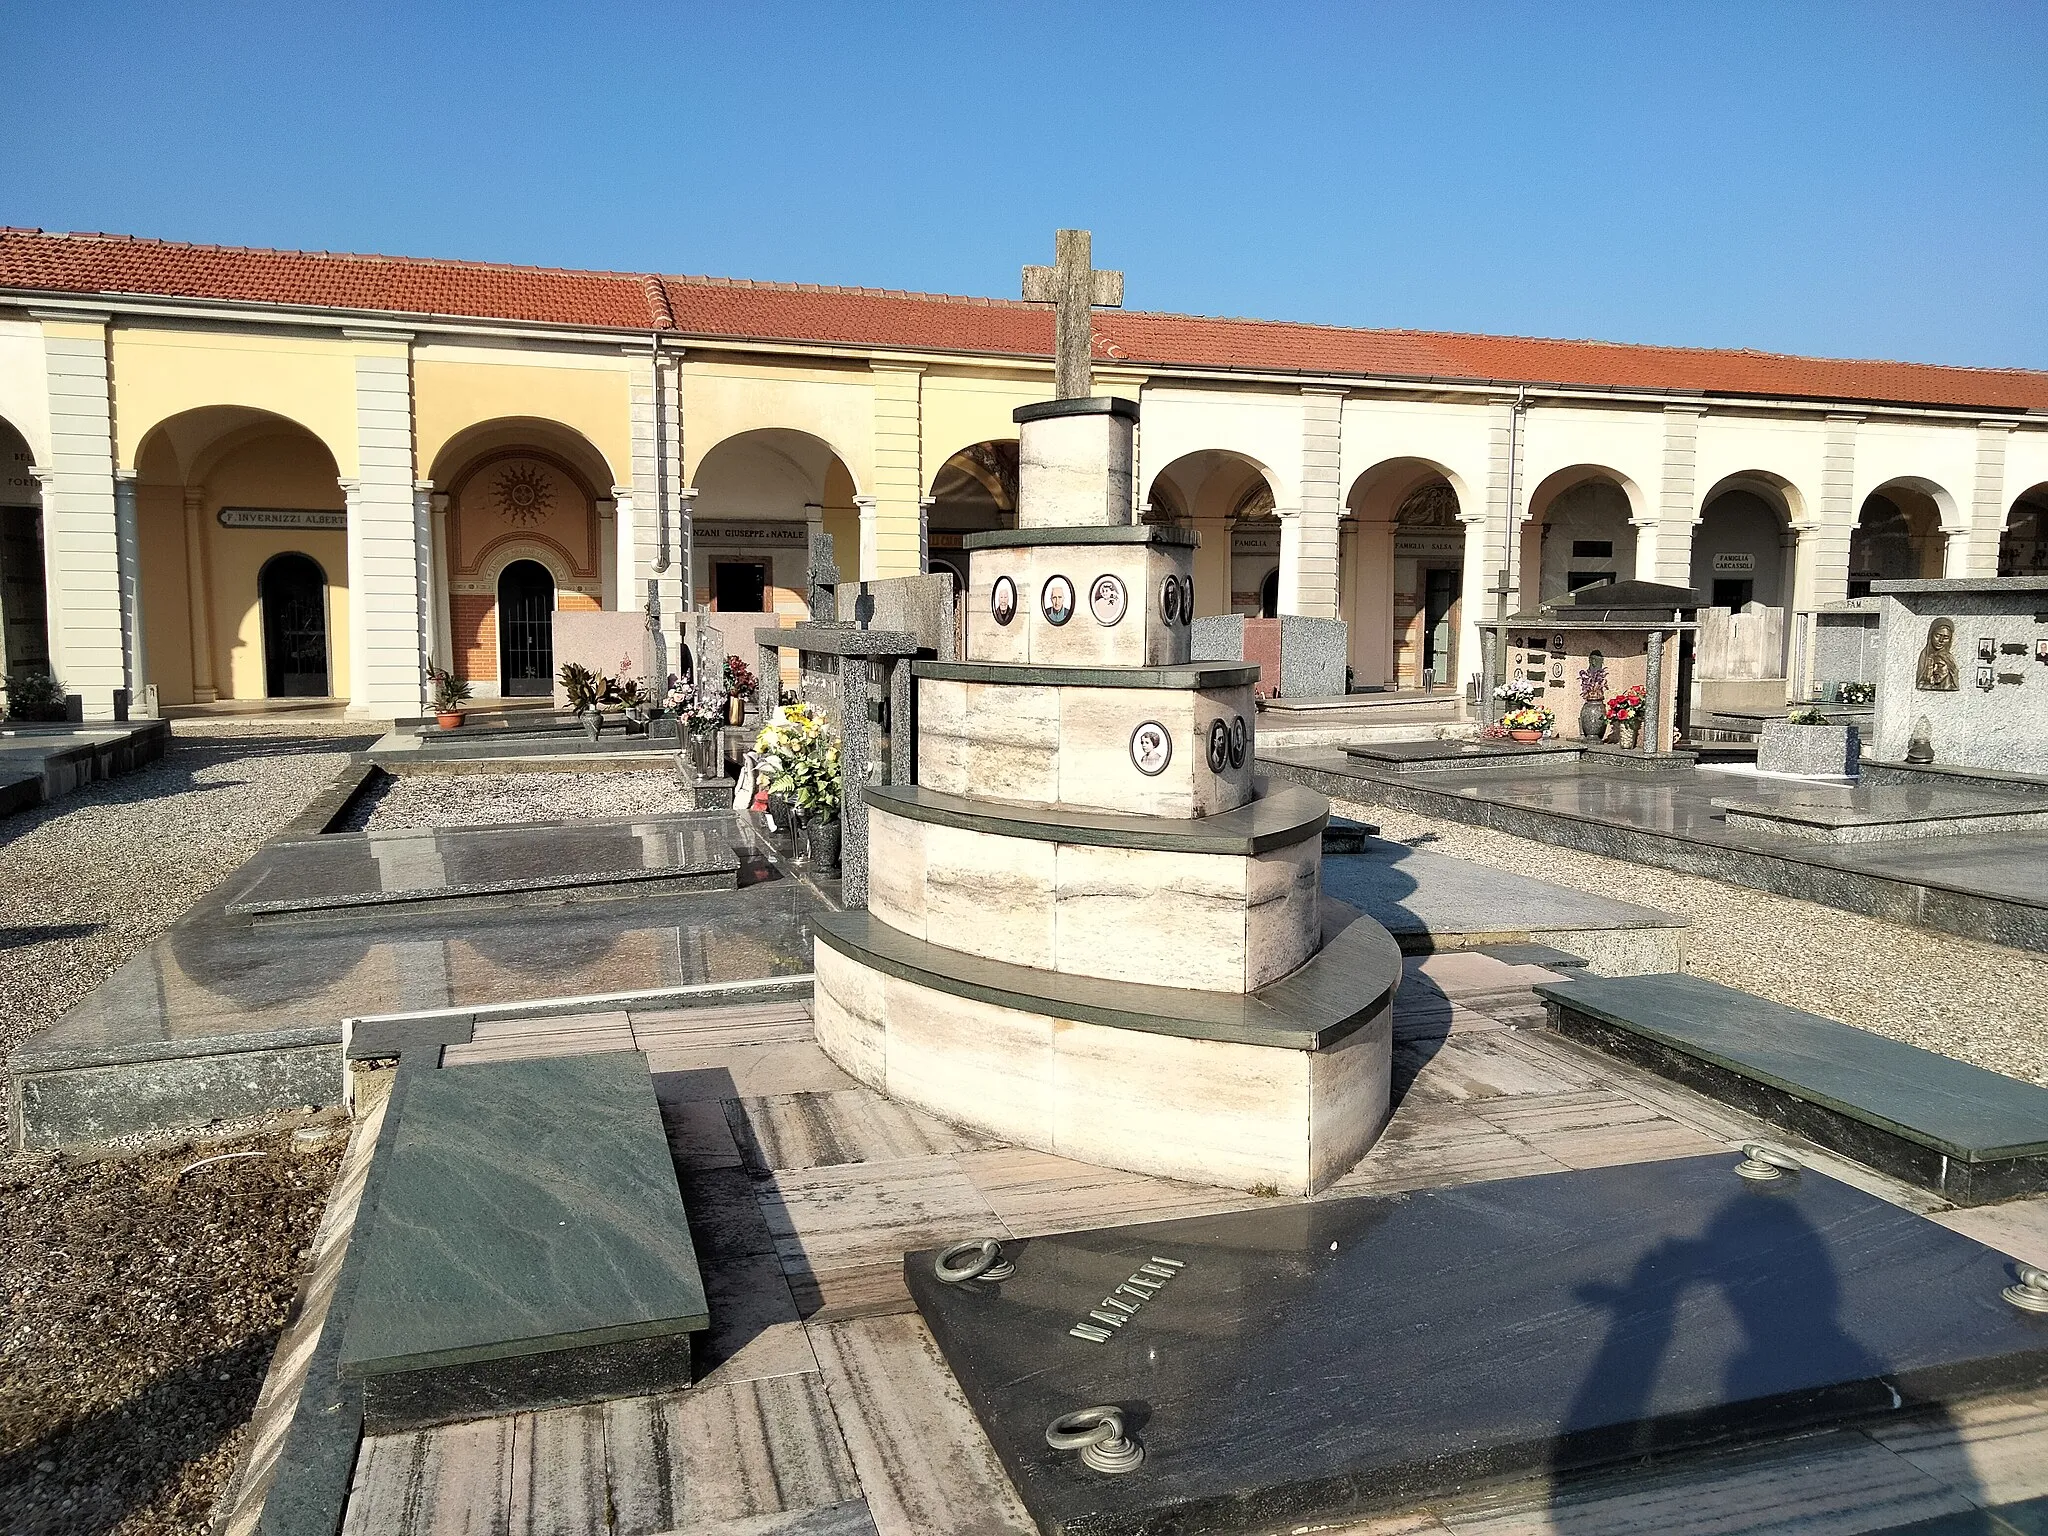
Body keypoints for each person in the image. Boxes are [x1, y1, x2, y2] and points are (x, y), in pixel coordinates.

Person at [1915, 617, 1960, 691]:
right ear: (1931, 635)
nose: (1941, 640)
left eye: (1945, 637)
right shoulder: (1924, 655)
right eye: (1938, 635)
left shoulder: (1949, 658)